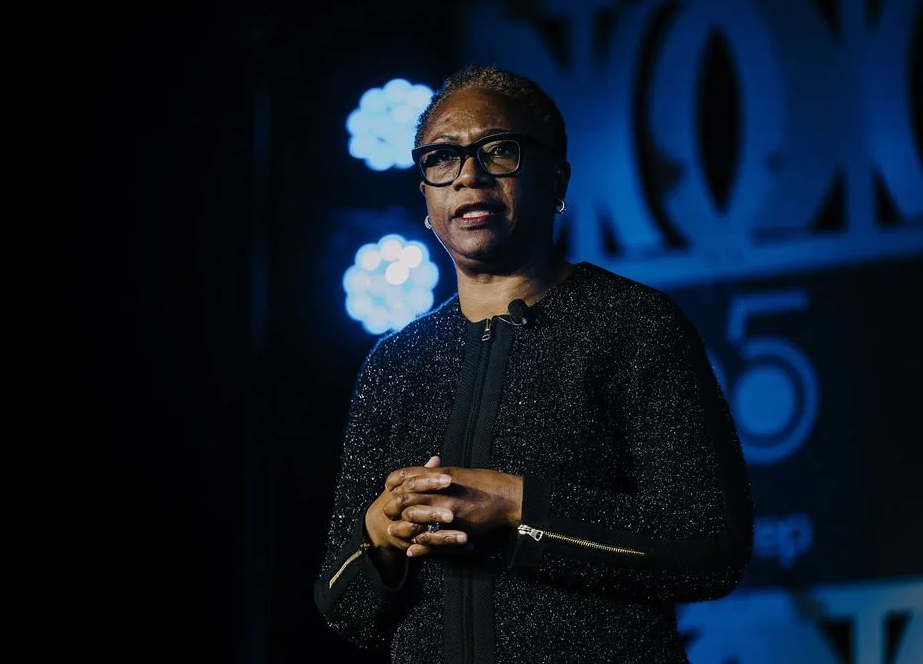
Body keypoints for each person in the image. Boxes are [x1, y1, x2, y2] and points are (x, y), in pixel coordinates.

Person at [314, 64, 754, 663]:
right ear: (424, 196)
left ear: (558, 180)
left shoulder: (631, 324)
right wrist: (380, 534)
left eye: (499, 152)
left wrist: (518, 506)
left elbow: (710, 547)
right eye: (442, 158)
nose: (468, 176)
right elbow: (343, 610)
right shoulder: (396, 363)